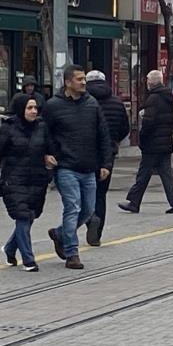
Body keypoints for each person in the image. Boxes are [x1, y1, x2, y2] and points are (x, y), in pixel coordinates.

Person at [44, 64, 113, 270]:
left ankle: (59, 233)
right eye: (79, 79)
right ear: (67, 82)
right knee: (72, 207)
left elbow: (103, 135)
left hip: (89, 166)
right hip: (66, 166)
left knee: (88, 210)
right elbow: (44, 133)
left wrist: (105, 163)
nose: (83, 82)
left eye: (84, 79)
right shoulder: (53, 105)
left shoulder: (91, 103)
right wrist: (47, 154)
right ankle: (72, 254)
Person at [0, 95, 51, 272]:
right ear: (20, 109)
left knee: (30, 217)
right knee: (23, 217)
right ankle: (29, 260)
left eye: (35, 108)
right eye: (29, 108)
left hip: (37, 179)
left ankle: (10, 248)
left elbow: (50, 148)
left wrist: (50, 160)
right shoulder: (7, 129)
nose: (33, 111)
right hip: (14, 181)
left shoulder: (42, 127)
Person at [119, 70, 173, 215]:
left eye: (147, 80)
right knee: (166, 174)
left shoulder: (153, 98)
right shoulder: (168, 97)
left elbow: (148, 122)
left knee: (144, 173)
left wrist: (142, 138)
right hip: (165, 141)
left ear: (151, 82)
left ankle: (134, 202)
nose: (146, 83)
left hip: (153, 143)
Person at [84, 70, 130, 246]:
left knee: (84, 191)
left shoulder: (85, 101)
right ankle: (98, 231)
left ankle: (89, 219)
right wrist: (114, 141)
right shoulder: (117, 102)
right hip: (108, 154)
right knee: (100, 193)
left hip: (86, 152)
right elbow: (125, 127)